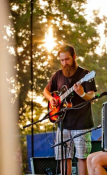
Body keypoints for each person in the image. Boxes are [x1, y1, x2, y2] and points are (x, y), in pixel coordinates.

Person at [43, 45, 97, 175]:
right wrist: (51, 99)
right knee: (63, 157)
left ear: (74, 57)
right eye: (61, 60)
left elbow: (92, 97)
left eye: (67, 59)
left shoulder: (85, 75)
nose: (64, 63)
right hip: (63, 124)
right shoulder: (58, 75)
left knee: (82, 157)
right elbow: (46, 91)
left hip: (81, 123)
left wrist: (82, 93)